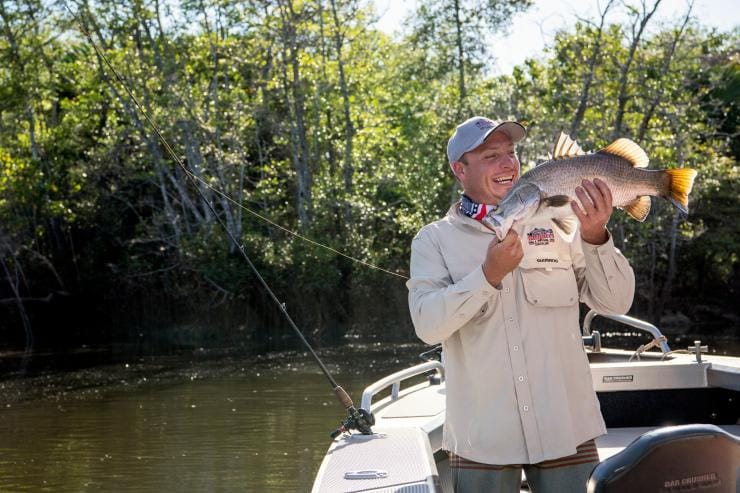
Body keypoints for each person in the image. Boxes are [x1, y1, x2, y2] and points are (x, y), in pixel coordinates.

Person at [407, 116, 635, 492]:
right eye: (490, 156)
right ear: (459, 170)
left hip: (566, 428)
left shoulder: (564, 223)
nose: (507, 164)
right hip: (482, 439)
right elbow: (427, 325)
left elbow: (615, 302)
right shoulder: (433, 241)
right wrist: (488, 275)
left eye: (510, 153)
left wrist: (596, 235)